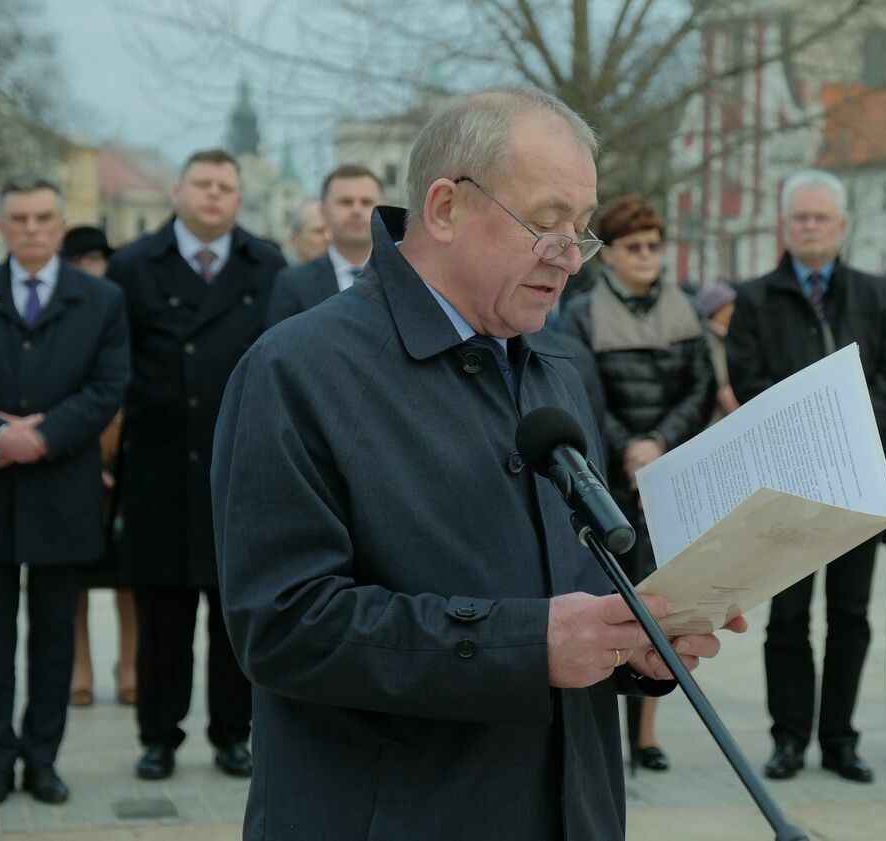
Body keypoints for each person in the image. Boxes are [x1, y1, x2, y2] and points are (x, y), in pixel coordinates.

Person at [210, 87, 743, 840]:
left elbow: (575, 585)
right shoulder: (295, 370)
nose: (567, 257)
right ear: (445, 208)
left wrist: (637, 637)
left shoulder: (558, 365)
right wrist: (523, 646)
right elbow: (284, 624)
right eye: (545, 223)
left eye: (582, 233)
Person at [728, 170, 886, 784]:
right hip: (787, 480)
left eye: (821, 218)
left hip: (860, 478)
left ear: (841, 226)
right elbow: (745, 375)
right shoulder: (756, 298)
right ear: (786, 225)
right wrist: (804, 432)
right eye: (800, 217)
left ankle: (840, 739)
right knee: (787, 617)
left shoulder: (880, 294)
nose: (810, 226)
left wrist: (851, 431)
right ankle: (789, 739)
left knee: (852, 614)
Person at [105, 149, 287, 782]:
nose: (214, 195)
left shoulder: (267, 265)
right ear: (177, 191)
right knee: (161, 615)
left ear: (239, 197)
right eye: (202, 184)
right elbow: (114, 361)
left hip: (240, 467)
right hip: (157, 466)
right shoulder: (131, 266)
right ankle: (158, 735)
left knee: (232, 610)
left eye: (225, 186)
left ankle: (232, 734)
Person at [0, 175, 129, 806]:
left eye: (42, 218)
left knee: (55, 635)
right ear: (2, 227)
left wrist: (45, 435)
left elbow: (110, 383)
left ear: (59, 226)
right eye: (18, 218)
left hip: (63, 491)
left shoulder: (101, 300)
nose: (30, 228)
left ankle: (43, 759)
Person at [560, 195, 717, 774]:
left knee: (663, 603)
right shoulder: (580, 313)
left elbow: (702, 387)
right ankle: (604, 720)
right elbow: (584, 392)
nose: (647, 256)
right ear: (610, 255)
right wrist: (630, 447)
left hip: (671, 474)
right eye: (634, 247)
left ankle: (647, 735)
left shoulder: (688, 309)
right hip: (611, 479)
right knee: (613, 603)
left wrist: (659, 442)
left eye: (655, 245)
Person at [59, 225, 138, 708]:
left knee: (130, 571)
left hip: (124, 458)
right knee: (72, 576)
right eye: (83, 258)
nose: (94, 265)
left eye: (100, 257)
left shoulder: (118, 309)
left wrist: (114, 453)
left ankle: (129, 663)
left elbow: (127, 385)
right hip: (69, 462)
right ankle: (78, 665)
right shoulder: (60, 313)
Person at [266, 164, 383, 326]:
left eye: (366, 202)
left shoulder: (403, 279)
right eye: (346, 202)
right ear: (323, 211)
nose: (356, 210)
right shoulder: (293, 284)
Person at [696, 282, 740, 421]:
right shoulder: (709, 339)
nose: (733, 310)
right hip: (715, 418)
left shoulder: (726, 335)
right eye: (729, 306)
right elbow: (721, 385)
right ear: (717, 309)